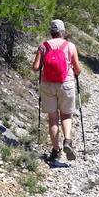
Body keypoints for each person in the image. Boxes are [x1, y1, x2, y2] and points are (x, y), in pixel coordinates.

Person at [33, 19, 81, 161]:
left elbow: (35, 68)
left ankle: (55, 150)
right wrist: (74, 70)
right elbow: (78, 69)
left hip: (48, 85)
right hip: (66, 84)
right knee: (66, 115)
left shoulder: (43, 46)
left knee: (53, 119)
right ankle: (67, 140)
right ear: (63, 31)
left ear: (51, 32)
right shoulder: (70, 46)